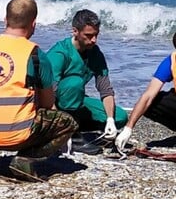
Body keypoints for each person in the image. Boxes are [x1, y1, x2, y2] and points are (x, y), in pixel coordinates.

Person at [0, 0, 78, 181]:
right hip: (14, 134)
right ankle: (24, 159)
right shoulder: (35, 55)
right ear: (33, 24)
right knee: (67, 122)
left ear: (5, 20)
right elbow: (47, 104)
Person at [47, 9, 128, 155]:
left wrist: (110, 119)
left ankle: (76, 126)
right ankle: (73, 135)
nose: (94, 40)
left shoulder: (95, 53)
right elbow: (47, 92)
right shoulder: (59, 54)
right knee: (75, 83)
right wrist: (59, 128)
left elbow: (105, 89)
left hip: (75, 102)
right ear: (75, 31)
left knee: (120, 117)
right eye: (89, 36)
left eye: (96, 35)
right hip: (51, 104)